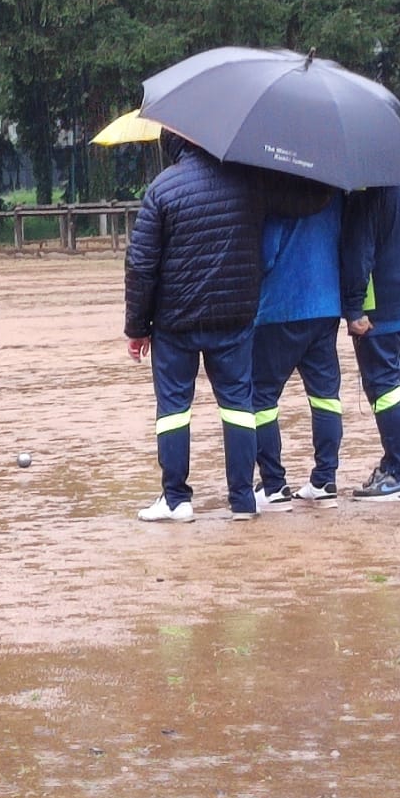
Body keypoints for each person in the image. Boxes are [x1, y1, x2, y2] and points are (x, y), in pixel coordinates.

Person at [124, 133, 263, 523]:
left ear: (173, 144)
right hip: (235, 318)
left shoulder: (163, 188)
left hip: (175, 321)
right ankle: (243, 500)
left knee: (173, 410)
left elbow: (141, 264)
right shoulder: (247, 182)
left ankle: (176, 499)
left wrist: (137, 326)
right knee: (238, 406)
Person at [249, 177, 344, 506]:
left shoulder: (277, 193)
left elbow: (266, 255)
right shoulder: (335, 192)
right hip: (326, 305)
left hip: (280, 308)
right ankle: (325, 478)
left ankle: (274, 484)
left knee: (261, 397)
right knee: (325, 396)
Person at [339, 184, 400, 501]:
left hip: (381, 304)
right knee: (393, 383)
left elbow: (359, 250)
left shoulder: (368, 191)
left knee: (384, 387)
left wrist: (353, 306)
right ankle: (392, 463)